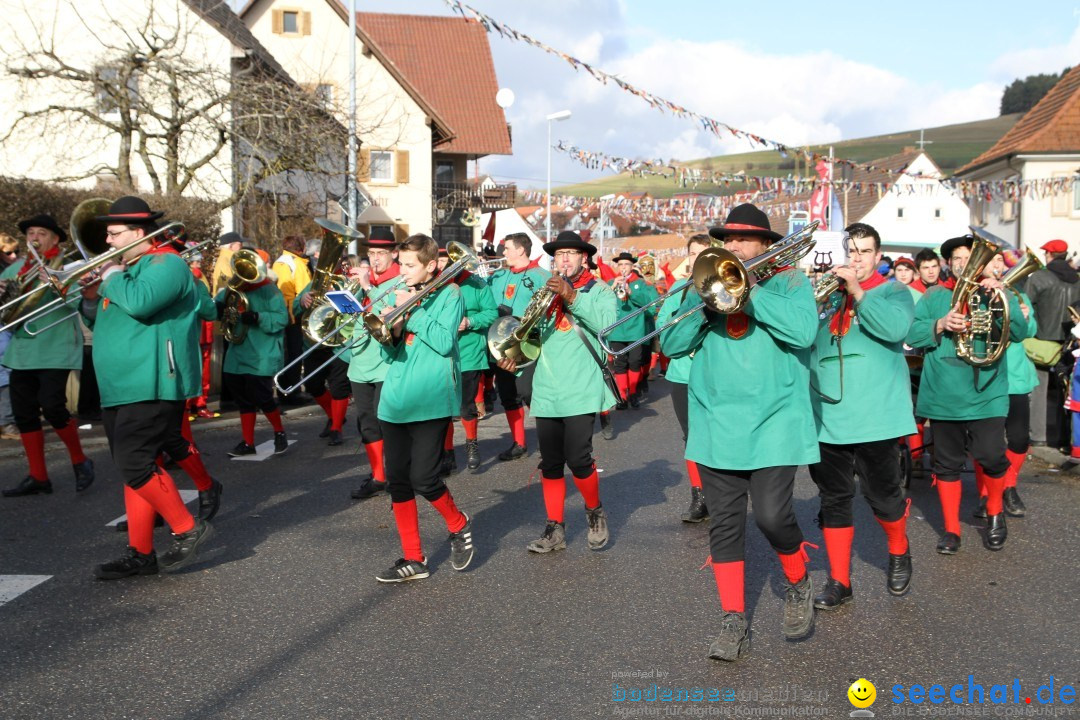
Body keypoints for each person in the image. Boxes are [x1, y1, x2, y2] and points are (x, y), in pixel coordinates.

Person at [661, 203, 819, 662]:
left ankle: (797, 580)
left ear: (766, 245)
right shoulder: (703, 288)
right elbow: (670, 345)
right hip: (716, 422)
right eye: (726, 239)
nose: (731, 246)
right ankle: (733, 619)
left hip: (775, 423)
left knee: (771, 517)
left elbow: (805, 332)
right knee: (726, 525)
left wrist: (751, 292)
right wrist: (698, 297)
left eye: (743, 239)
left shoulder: (790, 281)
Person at [79, 196, 213, 579]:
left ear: (139, 232)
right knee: (134, 467)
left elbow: (141, 303)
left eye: (114, 233)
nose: (107, 241)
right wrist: (90, 297)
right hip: (120, 384)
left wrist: (109, 277)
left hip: (153, 380)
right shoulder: (127, 270)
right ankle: (140, 552)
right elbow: (98, 318)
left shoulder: (166, 263)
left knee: (135, 463)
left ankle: (188, 528)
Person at [808, 223, 916, 609]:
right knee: (833, 499)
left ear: (877, 255)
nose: (856, 258)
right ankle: (840, 581)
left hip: (877, 417)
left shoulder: (894, 292)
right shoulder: (825, 295)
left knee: (883, 497)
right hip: (827, 417)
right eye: (850, 251)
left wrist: (858, 292)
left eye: (864, 251)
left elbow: (896, 329)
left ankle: (899, 550)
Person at [906, 235, 1028, 555]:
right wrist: (941, 323)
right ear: (948, 264)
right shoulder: (933, 295)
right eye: (957, 259)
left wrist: (1004, 300)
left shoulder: (998, 293)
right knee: (946, 465)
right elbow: (913, 334)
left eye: (969, 258)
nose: (963, 264)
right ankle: (950, 530)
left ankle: (995, 513)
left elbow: (1019, 333)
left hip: (987, 391)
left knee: (991, 456)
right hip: (944, 394)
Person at [496, 231, 616, 555]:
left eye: (570, 254)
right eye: (559, 254)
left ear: (584, 259)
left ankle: (594, 512)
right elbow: (532, 338)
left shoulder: (600, 290)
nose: (563, 259)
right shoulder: (544, 293)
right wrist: (516, 360)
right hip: (548, 389)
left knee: (578, 459)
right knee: (550, 463)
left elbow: (607, 325)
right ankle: (554, 528)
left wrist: (573, 297)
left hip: (581, 387)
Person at [374, 234, 472, 583]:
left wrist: (411, 310)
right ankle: (414, 559)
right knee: (398, 482)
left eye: (410, 264)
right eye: (401, 263)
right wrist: (391, 332)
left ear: (431, 265)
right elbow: (392, 354)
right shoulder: (403, 293)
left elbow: (445, 342)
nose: (403, 270)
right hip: (397, 399)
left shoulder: (451, 294)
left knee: (424, 478)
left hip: (432, 398)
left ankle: (458, 524)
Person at [1, 213, 94, 497]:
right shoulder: (15, 269)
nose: (34, 238)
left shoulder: (67, 268)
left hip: (56, 346)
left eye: (41, 233)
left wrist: (57, 283)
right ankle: (38, 476)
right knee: (24, 413)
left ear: (54, 239)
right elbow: (6, 311)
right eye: (30, 233)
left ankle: (80, 461)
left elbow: (80, 302)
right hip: (23, 349)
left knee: (53, 407)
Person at [974, 250, 1036, 519]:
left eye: (1000, 261)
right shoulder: (974, 292)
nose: (997, 266)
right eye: (992, 261)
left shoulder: (1018, 292)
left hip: (1016, 377)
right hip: (987, 373)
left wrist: (1023, 316)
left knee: (1020, 438)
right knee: (986, 442)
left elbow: (1030, 332)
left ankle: (1009, 485)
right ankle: (986, 494)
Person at [656, 235, 712, 523]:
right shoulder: (678, 288)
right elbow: (662, 327)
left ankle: (721, 492)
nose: (698, 258)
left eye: (704, 253)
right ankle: (699, 496)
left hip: (714, 373)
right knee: (691, 436)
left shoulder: (725, 285)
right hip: (682, 373)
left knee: (716, 434)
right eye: (693, 253)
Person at [216, 245, 289, 456]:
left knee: (262, 396)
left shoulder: (270, 290)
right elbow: (218, 307)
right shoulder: (233, 289)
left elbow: (282, 319)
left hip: (262, 351)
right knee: (242, 398)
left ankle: (279, 432)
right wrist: (218, 308)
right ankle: (248, 443)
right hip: (238, 351)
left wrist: (258, 317)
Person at [486, 232, 550, 461]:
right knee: (508, 395)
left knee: (531, 394)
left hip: (529, 346)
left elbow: (549, 311)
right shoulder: (498, 276)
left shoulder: (542, 276)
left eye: (507, 248)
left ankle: (547, 441)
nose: (503, 253)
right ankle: (519, 443)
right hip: (501, 345)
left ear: (521, 250)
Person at [346, 227, 399, 500]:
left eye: (381, 253)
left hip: (387, 361)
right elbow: (350, 325)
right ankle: (379, 476)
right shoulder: (360, 281)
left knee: (386, 420)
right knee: (366, 422)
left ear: (394, 253)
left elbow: (390, 319)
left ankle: (396, 473)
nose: (375, 259)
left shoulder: (401, 281)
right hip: (360, 361)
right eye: (371, 253)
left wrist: (368, 287)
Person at [444, 246, 498, 474]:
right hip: (442, 352)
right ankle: (447, 454)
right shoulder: (437, 283)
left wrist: (470, 322)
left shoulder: (478, 284)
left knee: (466, 404)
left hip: (469, 353)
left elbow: (492, 313)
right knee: (444, 407)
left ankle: (471, 445)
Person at [1025, 239, 1080, 449]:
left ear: (1048, 254)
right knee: (1065, 391)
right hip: (1069, 342)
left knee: (1039, 389)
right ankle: (1063, 437)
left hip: (1041, 341)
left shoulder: (1038, 277)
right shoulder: (1077, 279)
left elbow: (1028, 309)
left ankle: (1038, 435)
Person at [607, 252, 658, 409]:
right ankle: (622, 397)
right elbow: (602, 303)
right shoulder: (611, 283)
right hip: (616, 330)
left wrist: (631, 292)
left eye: (626, 264)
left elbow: (648, 304)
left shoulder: (641, 284)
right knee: (620, 363)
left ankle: (634, 392)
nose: (623, 267)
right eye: (621, 264)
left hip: (636, 330)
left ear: (632, 266)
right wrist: (612, 287)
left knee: (635, 361)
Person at [273, 235, 313, 405]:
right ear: (300, 248)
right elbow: (306, 290)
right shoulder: (296, 263)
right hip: (294, 314)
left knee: (286, 354)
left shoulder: (279, 261)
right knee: (295, 354)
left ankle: (285, 390)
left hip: (281, 312)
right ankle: (293, 391)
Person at [0, 233, 19, 438]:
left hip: (6, 325)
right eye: (8, 252)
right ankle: (6, 423)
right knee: (4, 374)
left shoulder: (11, 270)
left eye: (17, 252)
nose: (14, 256)